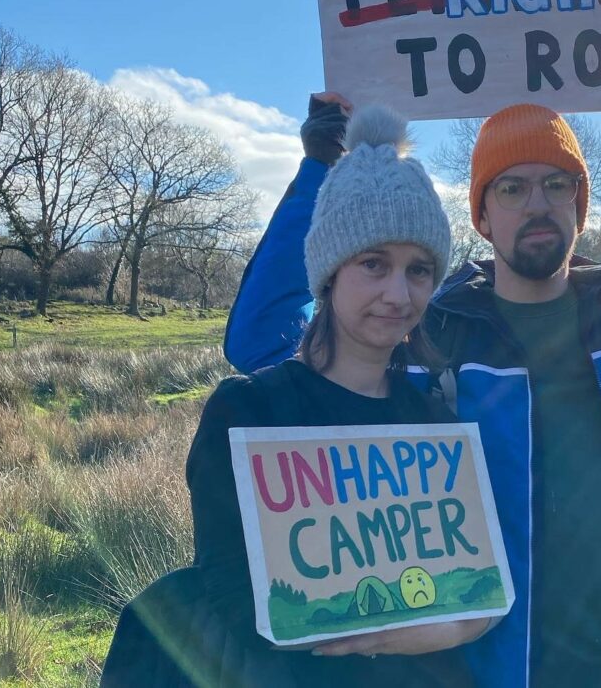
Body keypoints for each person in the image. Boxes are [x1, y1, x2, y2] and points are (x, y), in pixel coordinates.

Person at [223, 59, 601, 688]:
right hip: (495, 675)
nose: (537, 204)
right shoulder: (431, 332)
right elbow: (262, 342)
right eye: (511, 188)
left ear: (581, 205)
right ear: (483, 217)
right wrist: (322, 164)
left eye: (557, 184)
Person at [101, 106, 482, 688]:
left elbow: (473, 586)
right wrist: (378, 634)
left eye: (420, 269)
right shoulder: (247, 413)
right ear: (329, 273)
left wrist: (456, 629)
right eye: (373, 263)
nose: (398, 294)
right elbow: (235, 597)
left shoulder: (433, 423)